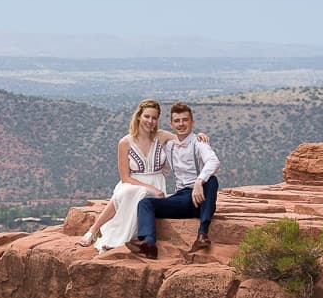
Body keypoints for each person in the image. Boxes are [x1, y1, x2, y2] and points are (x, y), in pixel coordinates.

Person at [78, 99, 208, 252]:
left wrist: (199, 135)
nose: (150, 121)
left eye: (154, 118)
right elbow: (125, 177)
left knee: (133, 195)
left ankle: (108, 236)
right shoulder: (125, 142)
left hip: (157, 182)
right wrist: (149, 187)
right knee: (132, 192)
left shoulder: (162, 136)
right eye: (147, 116)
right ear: (139, 116)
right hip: (133, 182)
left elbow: (185, 137)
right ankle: (97, 231)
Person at [129, 101, 220, 259]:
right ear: (171, 124)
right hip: (182, 200)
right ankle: (149, 245)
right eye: (177, 121)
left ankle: (202, 234)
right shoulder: (169, 146)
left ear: (192, 122)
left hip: (201, 200)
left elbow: (214, 162)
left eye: (185, 120)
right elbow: (157, 162)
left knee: (212, 180)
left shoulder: (199, 143)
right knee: (146, 203)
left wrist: (199, 182)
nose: (181, 124)